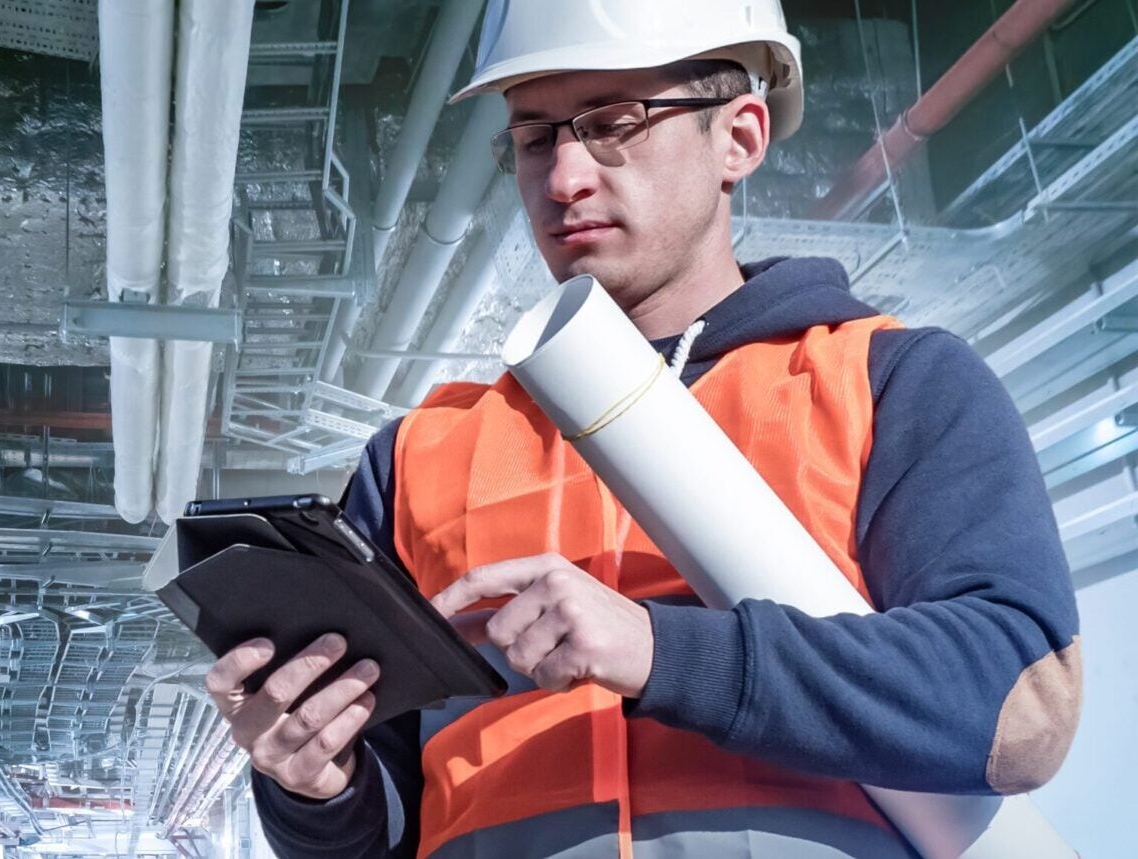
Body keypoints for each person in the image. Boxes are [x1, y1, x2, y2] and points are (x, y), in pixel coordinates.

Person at [201, 1, 1084, 856]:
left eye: (615, 121)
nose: (563, 177)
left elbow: (1018, 704)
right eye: (535, 135)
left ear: (739, 136)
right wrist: (312, 783)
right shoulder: (417, 458)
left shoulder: (890, 382)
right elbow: (380, 829)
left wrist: (664, 651)